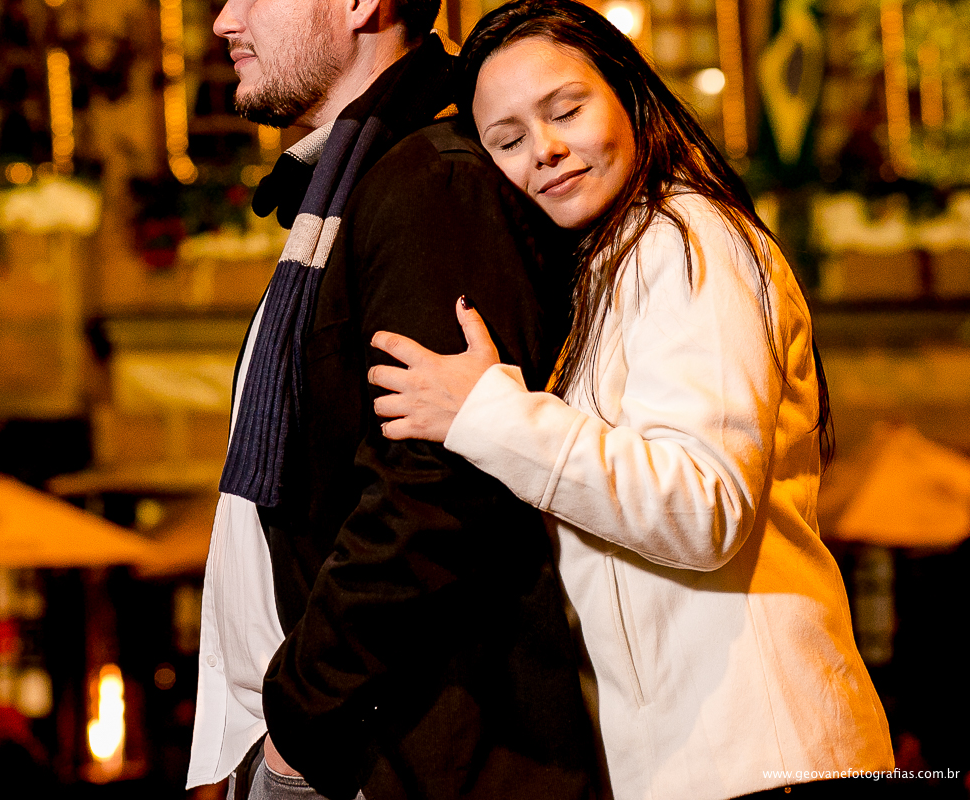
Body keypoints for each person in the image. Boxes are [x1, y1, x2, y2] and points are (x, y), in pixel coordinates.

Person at [368, 2, 895, 798]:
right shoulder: (608, 266)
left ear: (628, 92)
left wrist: (485, 413)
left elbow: (702, 508)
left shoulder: (686, 239)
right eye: (505, 142)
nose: (544, 150)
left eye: (566, 110)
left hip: (767, 764)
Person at [188, 0, 599, 798]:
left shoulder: (432, 184)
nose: (225, 21)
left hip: (394, 755)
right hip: (356, 747)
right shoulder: (371, 181)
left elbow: (437, 492)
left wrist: (298, 729)